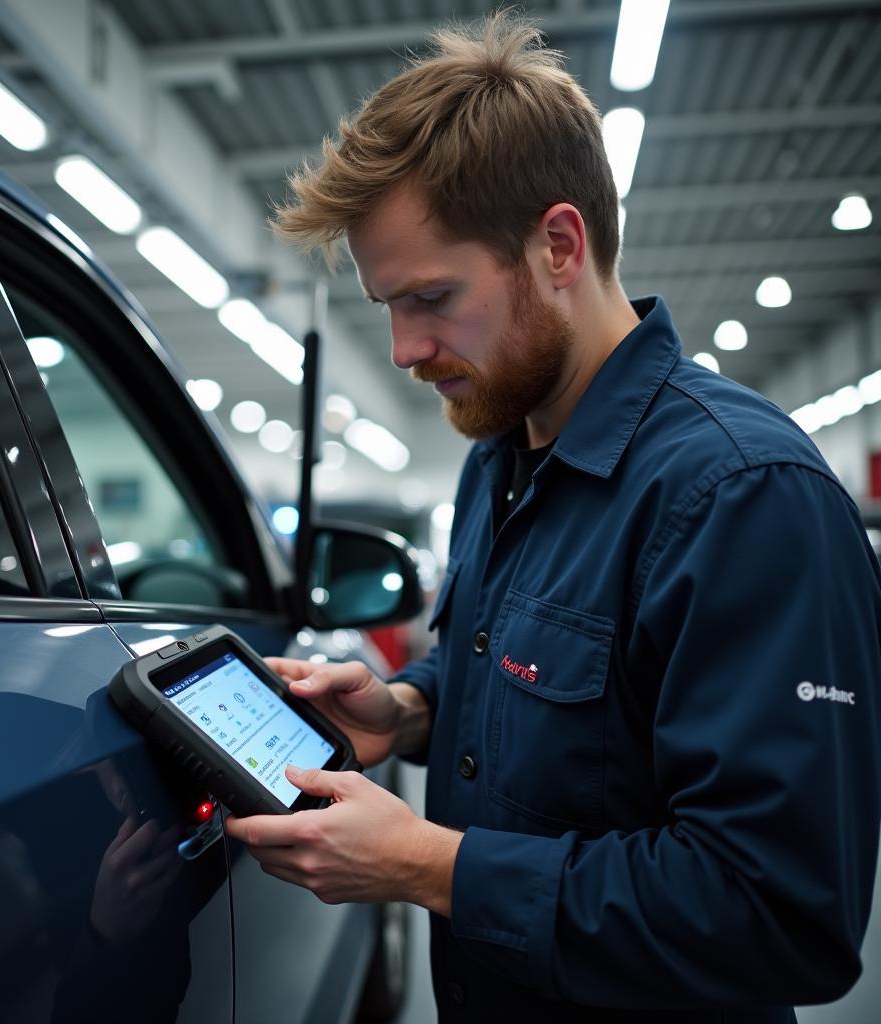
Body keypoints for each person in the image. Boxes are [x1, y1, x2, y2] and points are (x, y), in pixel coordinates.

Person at [224, 13, 881, 1021]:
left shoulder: (741, 497)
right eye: (387, 307)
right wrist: (408, 710)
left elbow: (778, 913)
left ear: (560, 245)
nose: (405, 349)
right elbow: (538, 676)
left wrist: (432, 866)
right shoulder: (501, 456)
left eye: (433, 297)